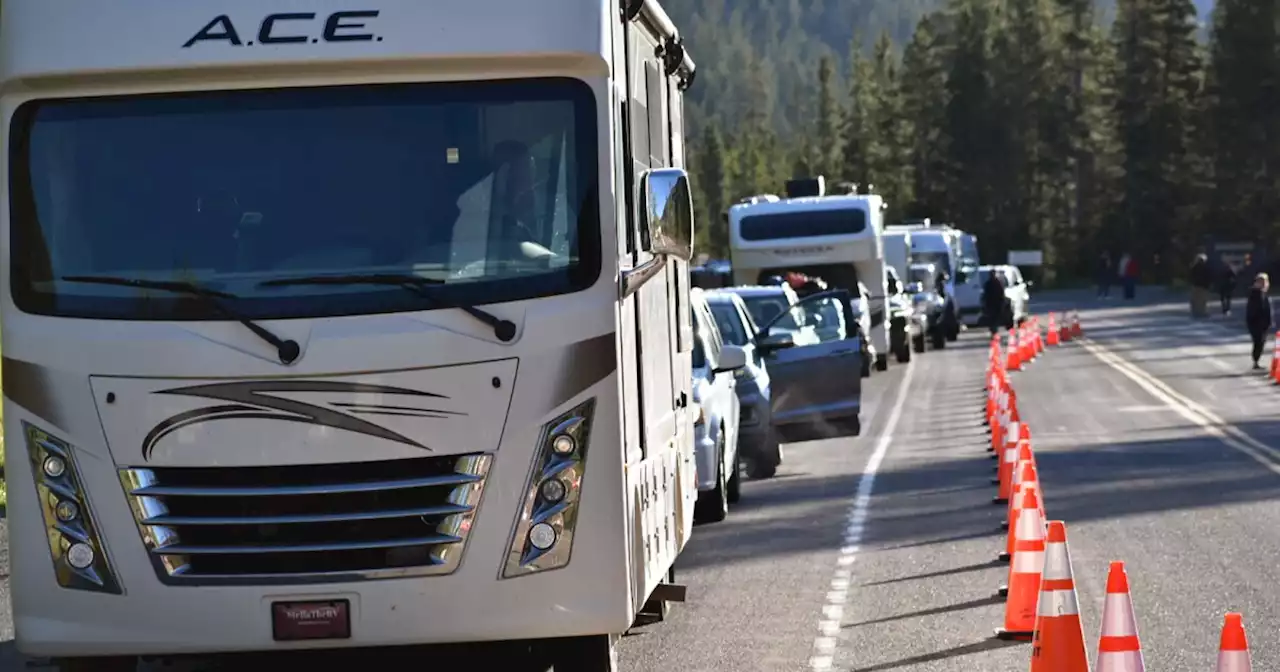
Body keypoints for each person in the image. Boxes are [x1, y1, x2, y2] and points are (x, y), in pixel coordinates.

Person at [1245, 273, 1273, 370]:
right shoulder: (1255, 293)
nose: (1262, 284)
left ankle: (1256, 360)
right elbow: (1253, 309)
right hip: (1256, 322)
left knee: (1261, 342)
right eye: (1260, 281)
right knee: (1258, 341)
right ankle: (1255, 360)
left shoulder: (1263, 293)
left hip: (1264, 322)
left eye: (1263, 282)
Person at [981, 269, 1006, 336]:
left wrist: (1002, 302)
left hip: (996, 303)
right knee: (992, 318)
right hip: (991, 304)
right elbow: (985, 294)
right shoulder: (989, 283)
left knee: (995, 318)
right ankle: (993, 330)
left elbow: (1001, 294)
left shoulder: (998, 283)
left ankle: (994, 330)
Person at [1189, 253, 1211, 318]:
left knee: (1195, 300)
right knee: (1203, 300)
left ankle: (1195, 311)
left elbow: (1191, 276)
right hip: (1204, 286)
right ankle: (1203, 311)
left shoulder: (1194, 267)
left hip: (1196, 285)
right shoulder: (1206, 268)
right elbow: (1209, 276)